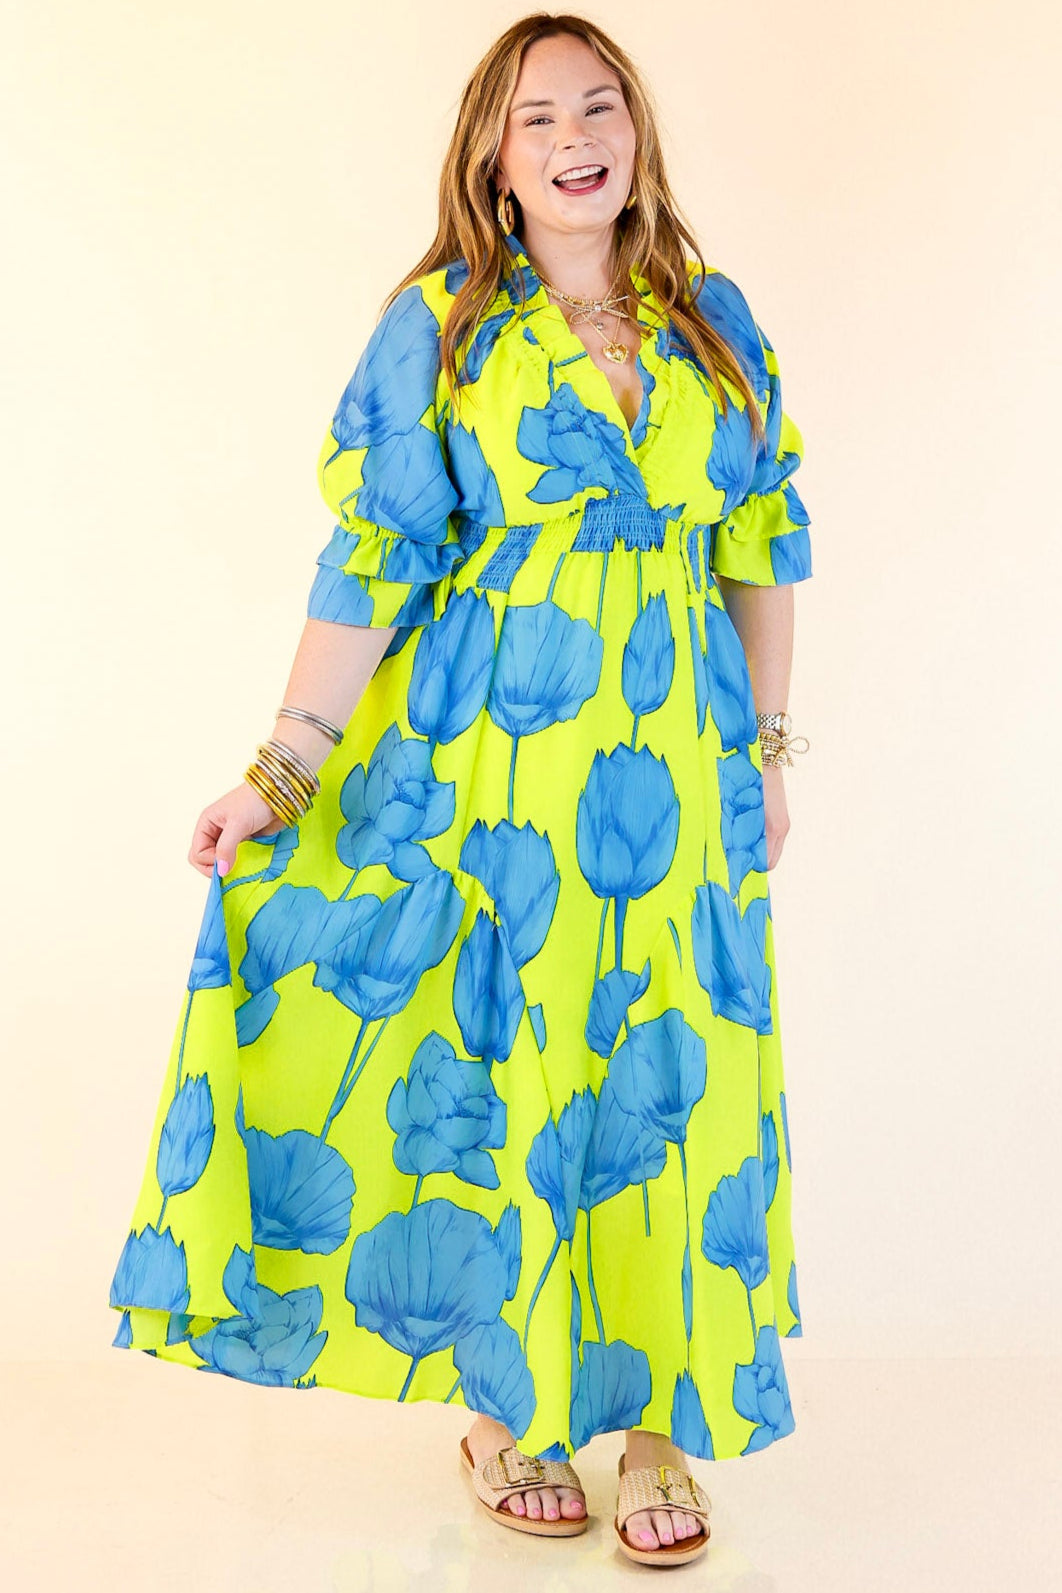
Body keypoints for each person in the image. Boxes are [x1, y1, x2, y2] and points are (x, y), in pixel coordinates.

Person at [107, 11, 812, 1570]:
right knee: (511, 1063)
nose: (575, 137)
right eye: (536, 116)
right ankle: (510, 1407)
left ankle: (657, 1425)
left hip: (676, 761)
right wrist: (282, 766)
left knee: (665, 1069)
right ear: (492, 159)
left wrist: (767, 747)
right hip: (484, 760)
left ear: (635, 132)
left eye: (599, 106)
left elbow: (761, 537)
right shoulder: (441, 326)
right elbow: (369, 556)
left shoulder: (710, 319)